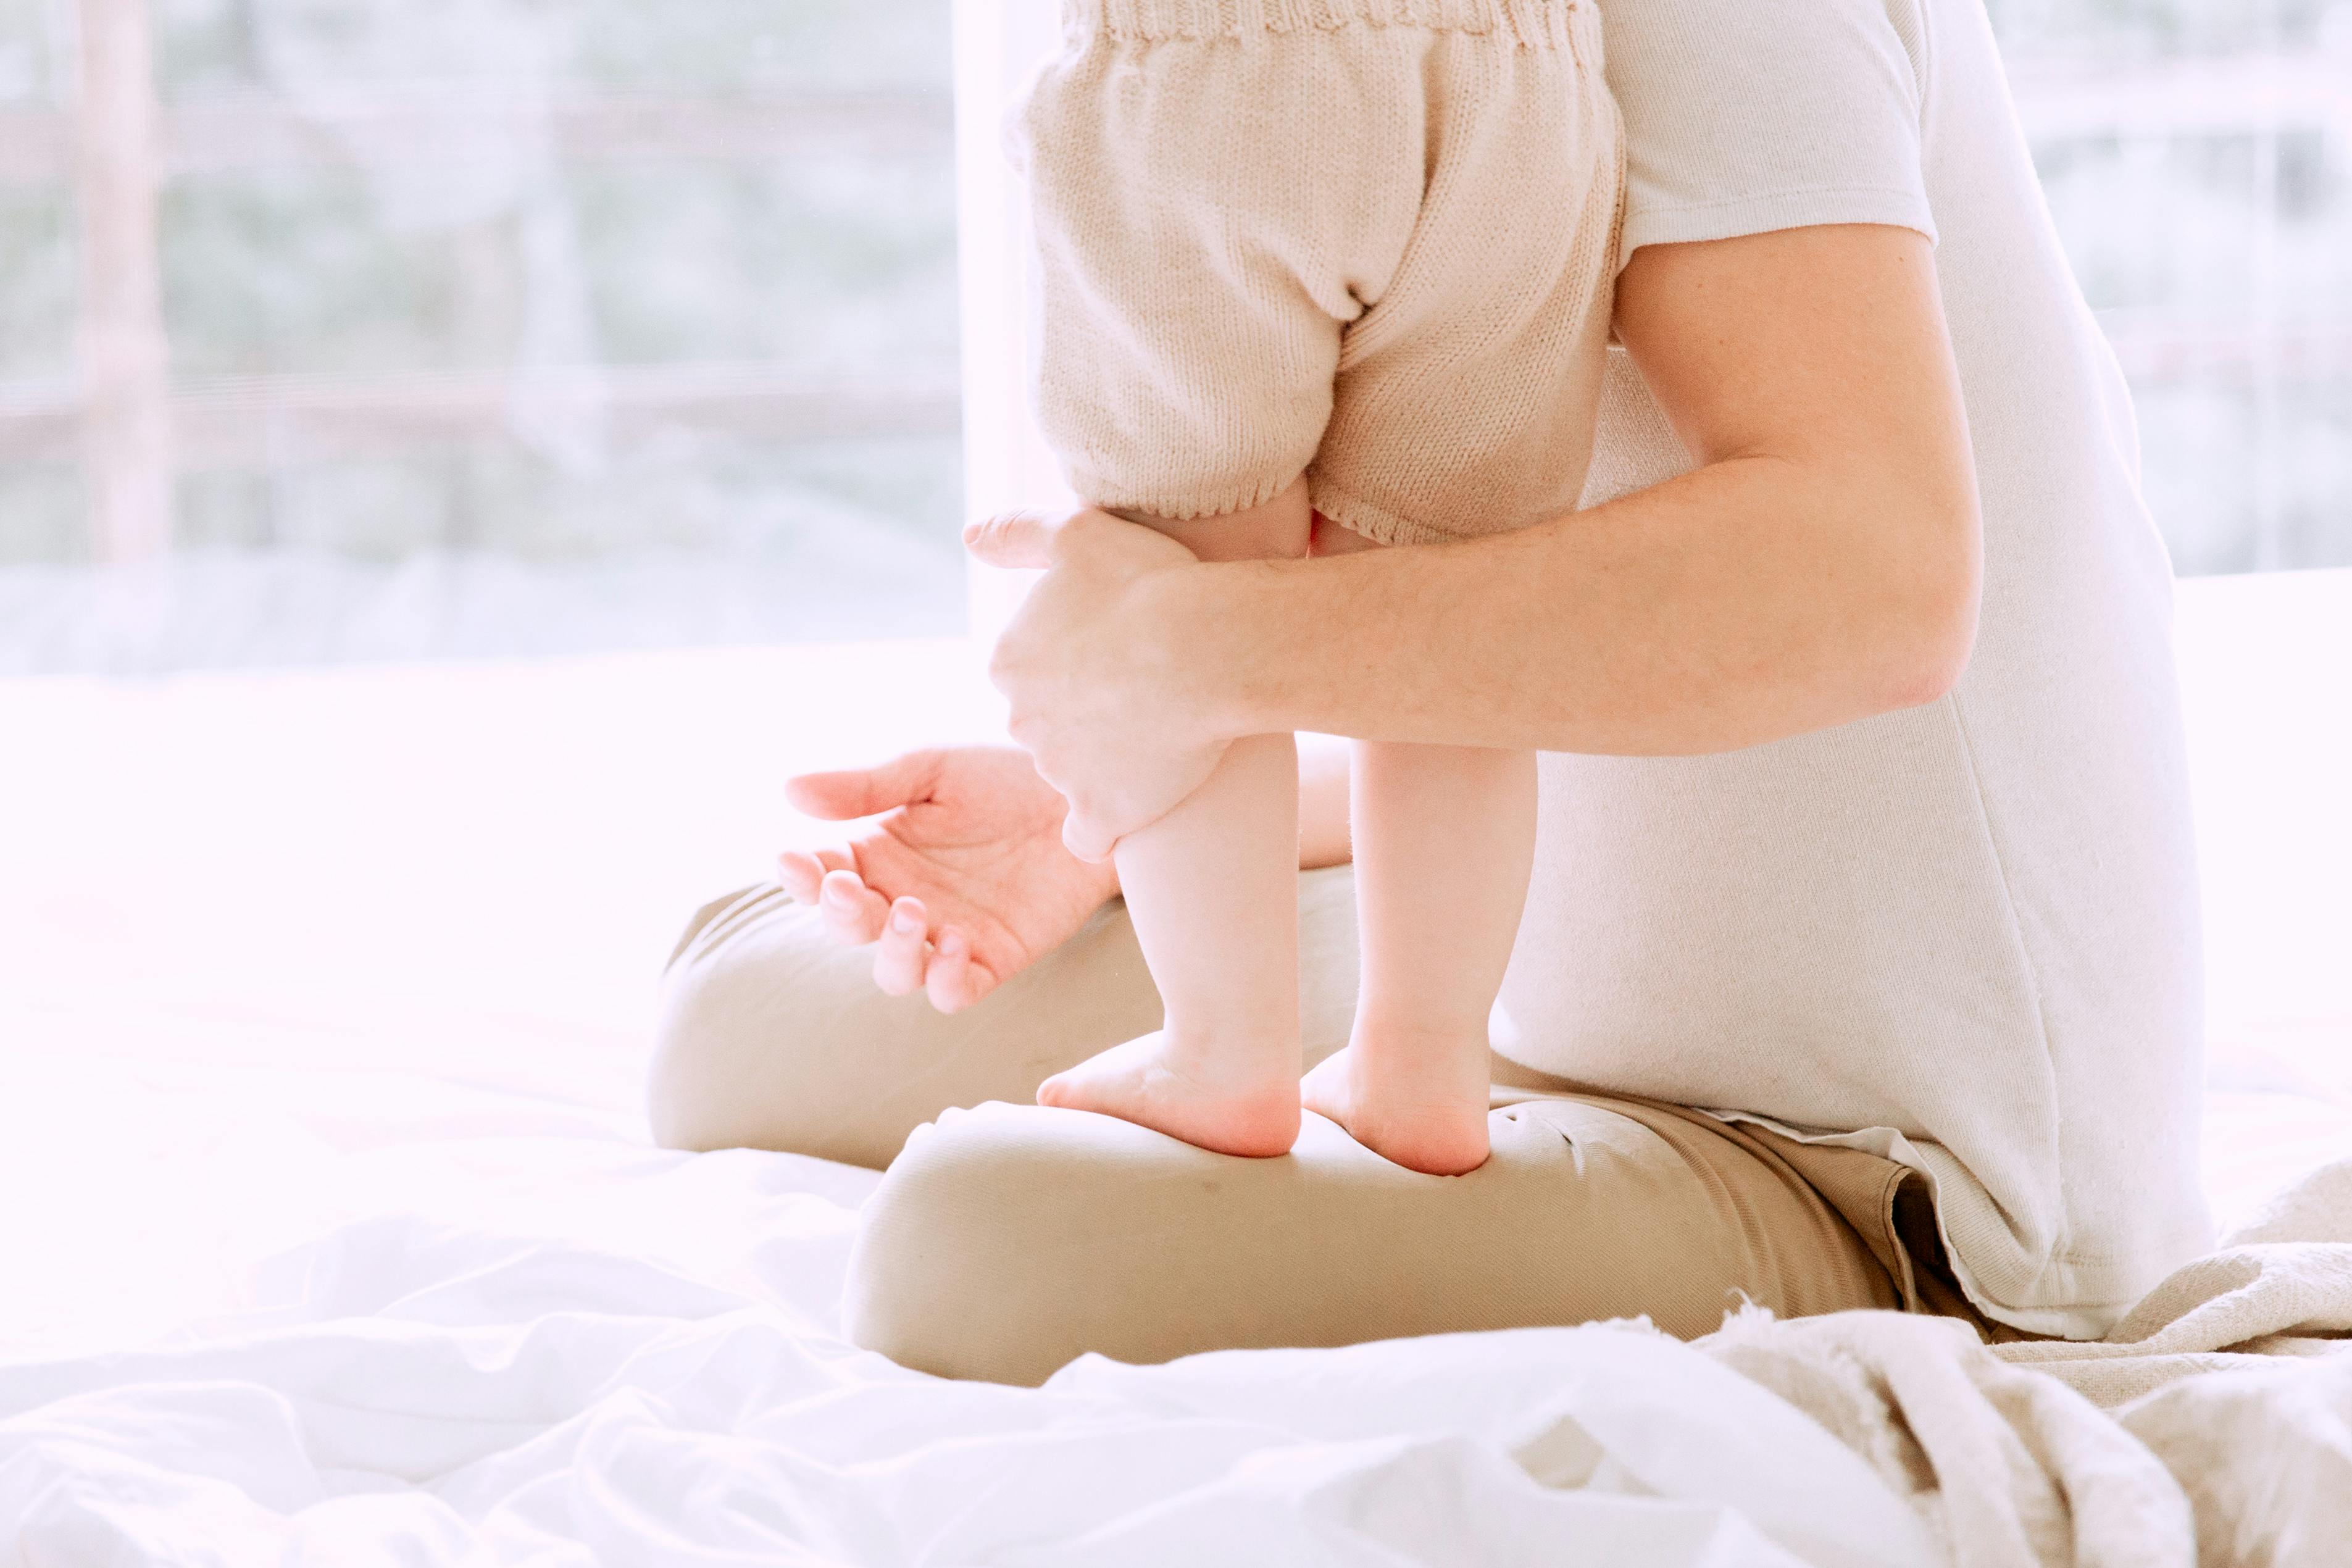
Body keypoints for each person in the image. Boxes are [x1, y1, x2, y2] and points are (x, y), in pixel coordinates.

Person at [649, 0, 2212, 1388]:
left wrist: (1189, 653)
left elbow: (1872, 585)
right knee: (737, 1007)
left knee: (970, 1246)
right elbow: (1519, 646)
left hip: (1864, 1164)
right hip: (1531, 976)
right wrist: (1121, 807)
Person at [1001, 0, 1623, 1174]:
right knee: (1453, 620)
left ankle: (1220, 1052)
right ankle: (1426, 1063)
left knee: (1187, 589)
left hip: (1213, 61)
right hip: (1522, 81)